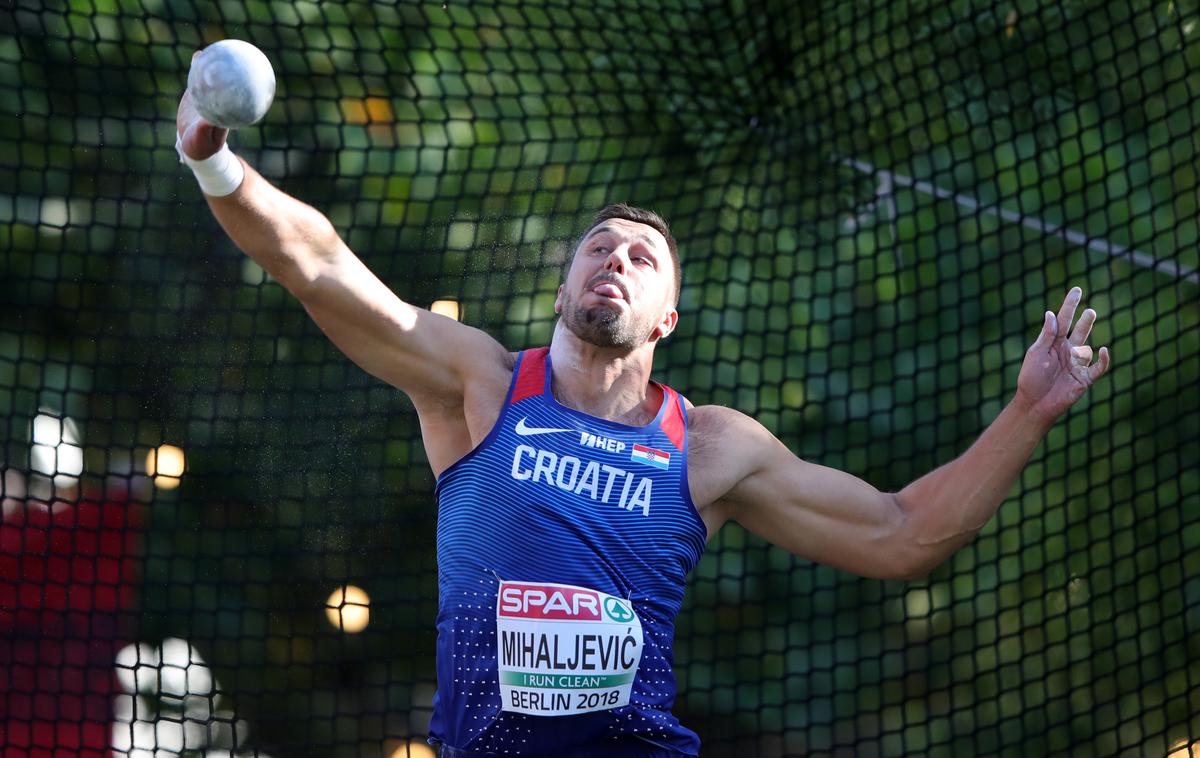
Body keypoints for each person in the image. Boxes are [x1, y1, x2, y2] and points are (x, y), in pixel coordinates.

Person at [175, 71, 1110, 757]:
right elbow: (327, 270)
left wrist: (1030, 408)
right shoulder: (484, 387)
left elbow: (906, 534)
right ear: (564, 284)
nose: (615, 261)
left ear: (666, 316)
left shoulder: (710, 449)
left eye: (641, 258)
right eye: (599, 248)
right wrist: (219, 169)